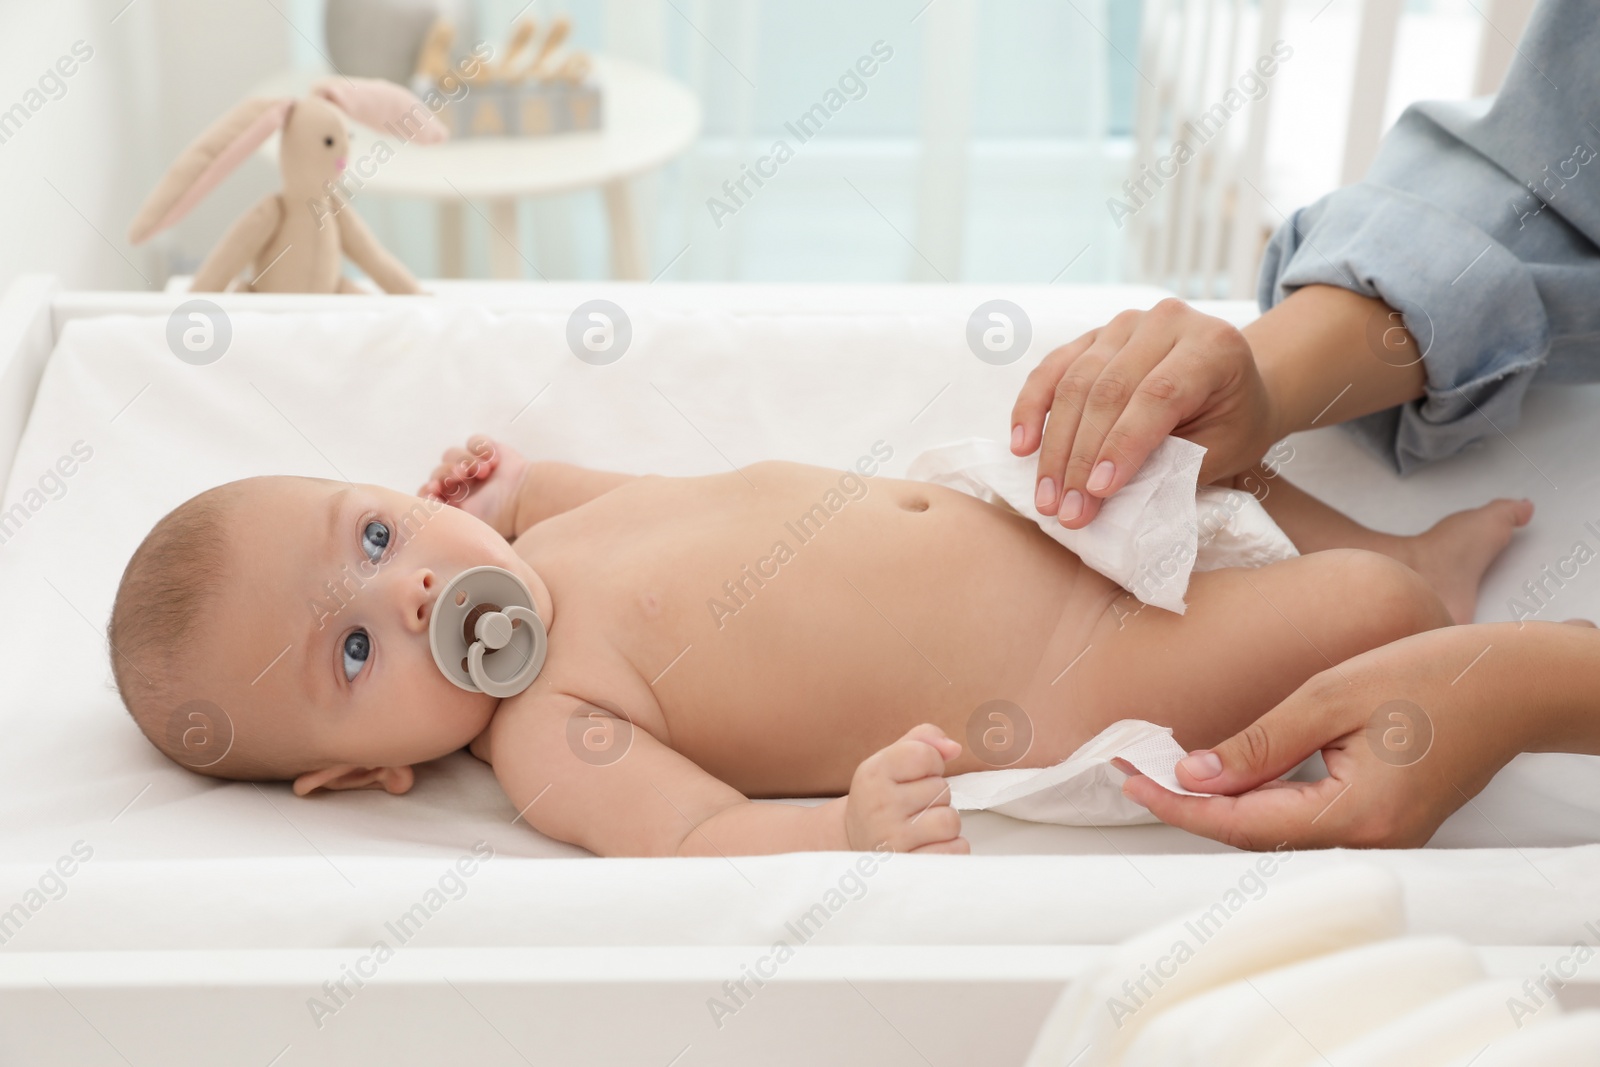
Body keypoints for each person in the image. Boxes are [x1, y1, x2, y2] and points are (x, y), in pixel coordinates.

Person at [107, 432, 1515, 857]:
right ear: (360, 777)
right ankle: (1415, 593)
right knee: (1370, 629)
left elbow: (602, 493)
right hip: (1068, 671)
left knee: (1205, 435)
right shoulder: (548, 731)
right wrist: (843, 824)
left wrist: (511, 479)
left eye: (373, 539)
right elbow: (695, 833)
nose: (411, 596)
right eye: (353, 656)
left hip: (1020, 521)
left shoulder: (538, 542)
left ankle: (1398, 541)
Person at [1012, 0, 1600, 847]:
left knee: (1365, 603)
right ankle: (1406, 560)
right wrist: (1268, 382)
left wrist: (1550, 685)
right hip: (1020, 581)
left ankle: (1412, 578)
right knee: (1167, 460)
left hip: (1042, 652)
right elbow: (1551, 186)